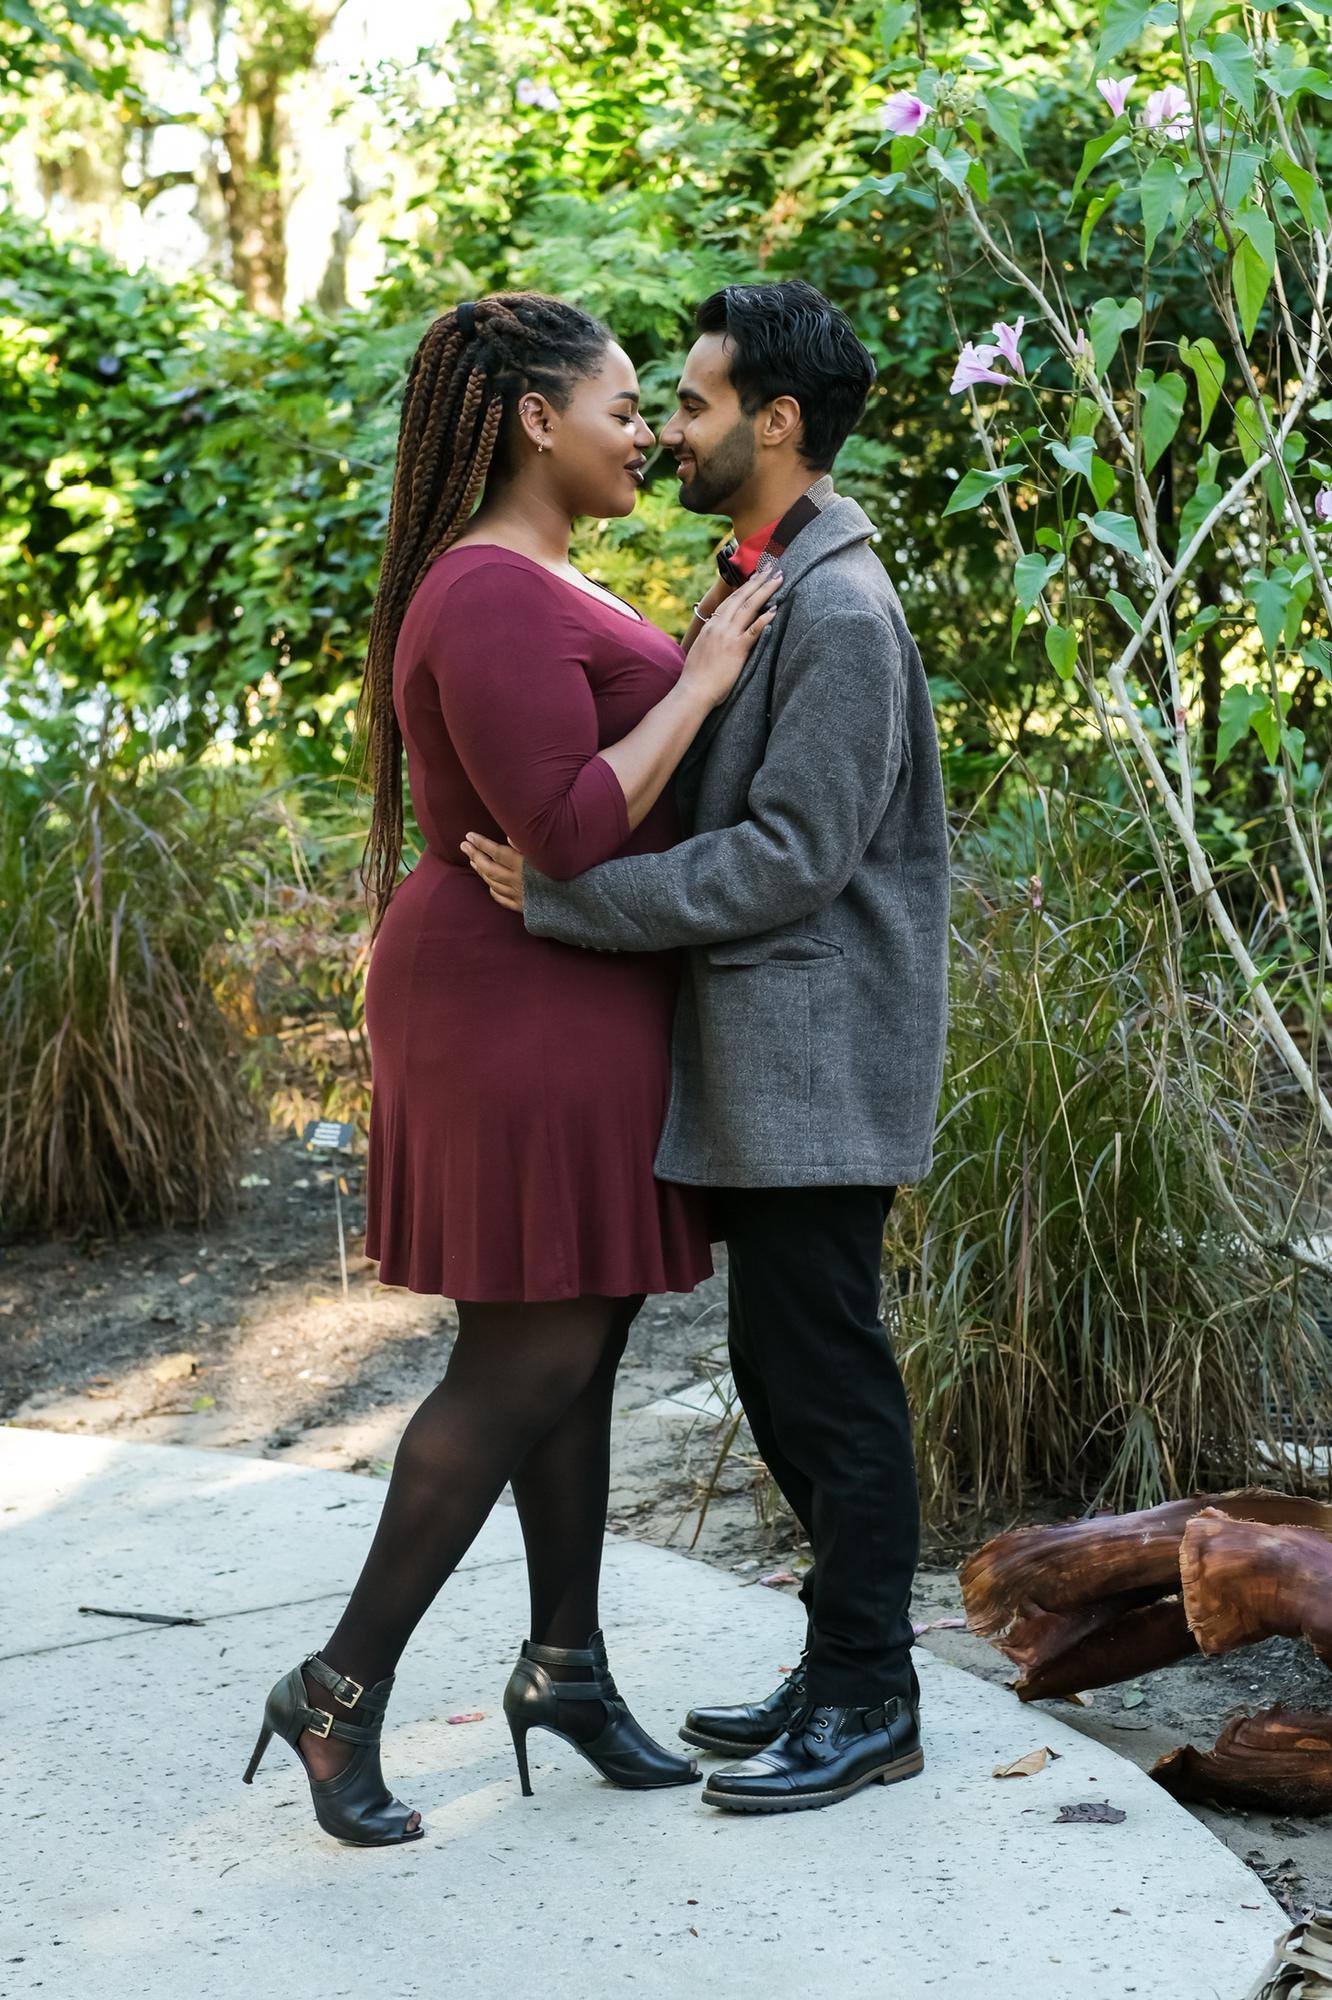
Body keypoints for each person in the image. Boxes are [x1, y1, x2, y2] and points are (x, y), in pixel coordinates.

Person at [242, 291, 781, 1846]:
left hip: (571, 992)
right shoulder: (484, 591)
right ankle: (335, 1693)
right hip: (510, 999)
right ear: (538, 420)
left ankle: (566, 1668)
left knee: (579, 1346)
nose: (649, 433)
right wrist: (701, 680)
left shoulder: (540, 577)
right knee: (524, 1362)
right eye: (625, 406)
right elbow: (561, 833)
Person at [463, 278, 951, 1816]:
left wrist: (570, 899)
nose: (669, 429)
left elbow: (790, 858)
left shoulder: (842, 610)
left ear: (777, 421)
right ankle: (842, 1664)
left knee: (827, 1383)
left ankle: (871, 1697)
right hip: (768, 1065)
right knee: (782, 1371)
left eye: (691, 403)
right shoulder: (772, 582)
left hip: (820, 1064)